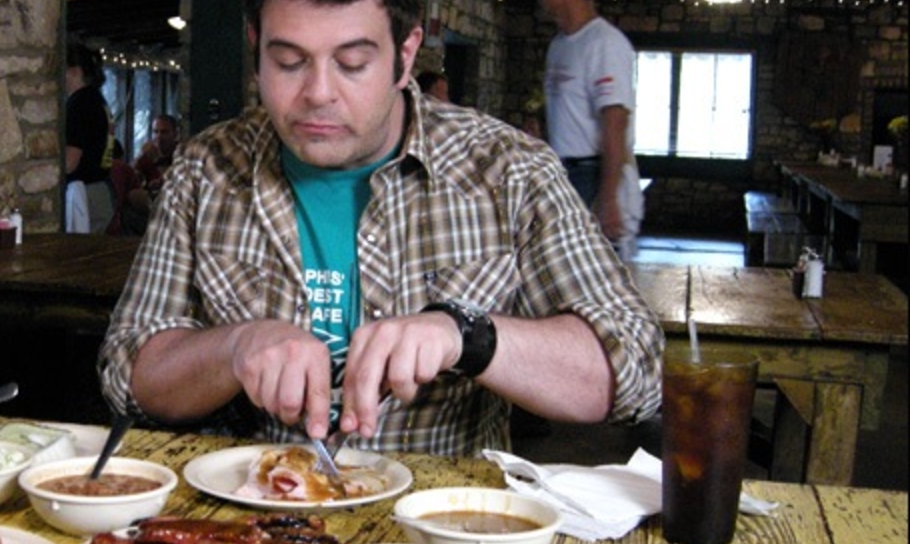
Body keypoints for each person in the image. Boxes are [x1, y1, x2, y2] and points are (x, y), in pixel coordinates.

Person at [98, 0, 663, 457]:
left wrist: (468, 336)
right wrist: (234, 347)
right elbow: (128, 374)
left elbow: (636, 372)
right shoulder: (206, 170)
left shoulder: (509, 170)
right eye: (289, 62)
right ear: (256, 48)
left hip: (441, 538)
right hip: (247, 531)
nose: (318, 92)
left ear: (405, 54)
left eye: (352, 63)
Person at [540, 0, 644, 261]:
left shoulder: (604, 43)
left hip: (593, 175)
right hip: (563, 174)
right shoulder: (559, 45)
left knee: (594, 272)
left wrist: (608, 198)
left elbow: (615, 121)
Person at [64, 42, 114, 234]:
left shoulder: (79, 104)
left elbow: (70, 162)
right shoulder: (97, 99)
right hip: (99, 189)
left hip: (84, 195)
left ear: (75, 71)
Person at [122, 114, 181, 234]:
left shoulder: (182, 154)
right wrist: (140, 157)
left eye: (164, 132)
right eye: (156, 132)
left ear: (175, 134)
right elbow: (129, 178)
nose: (159, 137)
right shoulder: (147, 156)